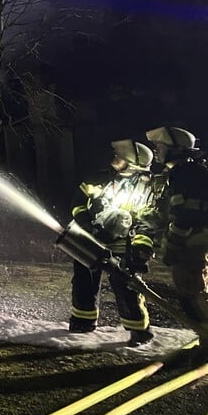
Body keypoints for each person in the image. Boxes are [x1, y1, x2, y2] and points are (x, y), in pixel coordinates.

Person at [68, 139, 159, 347]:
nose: (115, 159)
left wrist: (142, 246)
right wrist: (87, 224)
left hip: (123, 244)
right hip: (90, 239)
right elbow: (77, 203)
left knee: (128, 287)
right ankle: (82, 322)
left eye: (120, 158)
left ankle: (139, 331)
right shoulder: (99, 177)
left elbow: (148, 219)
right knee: (83, 282)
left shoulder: (146, 187)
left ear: (131, 164)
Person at [145, 126, 208, 343]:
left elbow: (184, 216)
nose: (157, 151)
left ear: (175, 150)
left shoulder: (183, 174)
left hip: (192, 244)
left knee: (192, 293)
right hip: (198, 242)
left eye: (160, 146)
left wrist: (172, 247)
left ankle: (206, 340)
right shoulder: (193, 172)